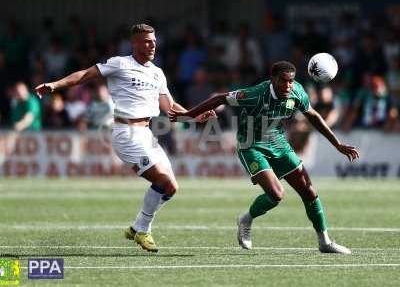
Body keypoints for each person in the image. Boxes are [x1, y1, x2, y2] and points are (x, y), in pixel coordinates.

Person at [35, 23, 214, 252]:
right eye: (147, 41)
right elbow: (84, 75)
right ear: (135, 43)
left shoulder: (157, 73)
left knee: (172, 188)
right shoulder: (120, 63)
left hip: (147, 133)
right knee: (163, 181)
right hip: (126, 133)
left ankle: (136, 226)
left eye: (154, 41)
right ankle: (143, 230)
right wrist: (55, 85)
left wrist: (194, 117)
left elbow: (170, 109)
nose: (152, 45)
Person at [169, 61, 360, 254]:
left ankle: (324, 241)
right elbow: (219, 99)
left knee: (308, 191)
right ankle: (246, 219)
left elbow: (313, 116)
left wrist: (337, 144)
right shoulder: (254, 95)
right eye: (283, 81)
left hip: (278, 143)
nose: (287, 86)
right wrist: (188, 115)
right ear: (273, 79)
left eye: (291, 81)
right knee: (276, 194)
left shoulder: (297, 92)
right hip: (251, 145)